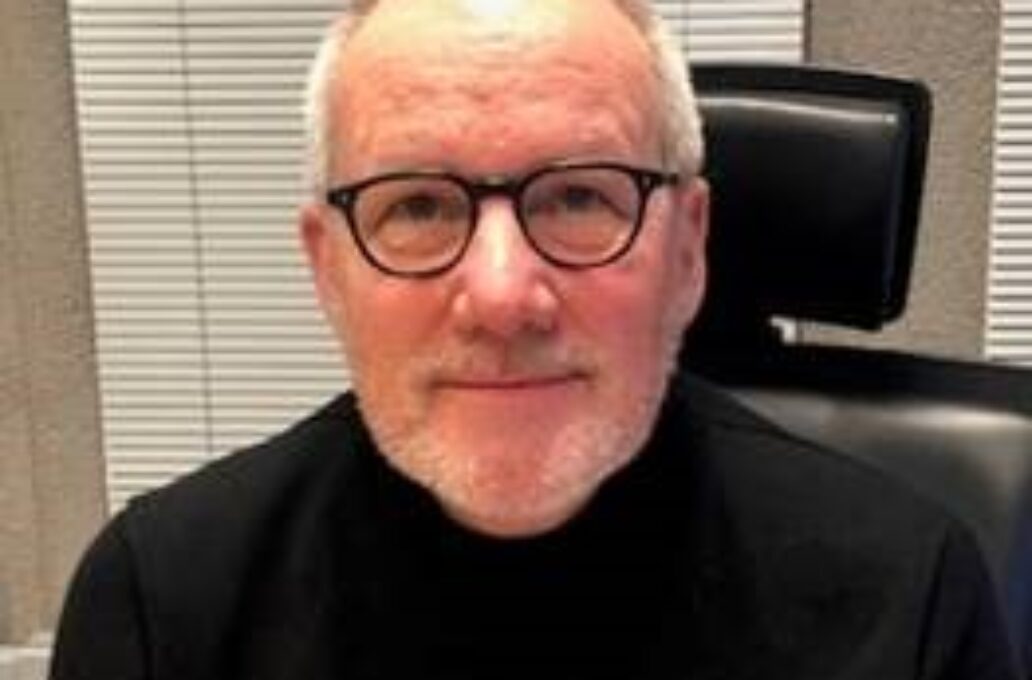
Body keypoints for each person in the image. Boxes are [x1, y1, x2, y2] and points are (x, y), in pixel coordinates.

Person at [50, 0, 1020, 678]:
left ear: (688, 249)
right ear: (328, 268)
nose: (502, 294)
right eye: (419, 206)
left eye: (579, 197)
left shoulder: (908, 596)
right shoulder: (163, 605)